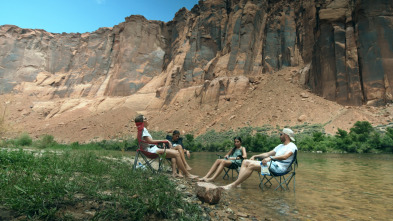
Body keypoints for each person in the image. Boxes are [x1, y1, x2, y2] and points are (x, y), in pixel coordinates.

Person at [222, 128, 297, 190]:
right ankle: (238, 184)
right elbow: (267, 154)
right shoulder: (280, 146)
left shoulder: (292, 146)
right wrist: (255, 156)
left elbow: (285, 156)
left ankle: (233, 185)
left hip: (279, 169)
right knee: (245, 161)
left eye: (281, 134)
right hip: (270, 165)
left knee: (251, 165)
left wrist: (270, 158)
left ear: (286, 136)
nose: (280, 136)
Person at [134, 115, 198, 179]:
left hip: (151, 149)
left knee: (175, 153)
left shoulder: (141, 129)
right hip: (151, 151)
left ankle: (175, 173)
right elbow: (150, 141)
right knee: (177, 153)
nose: (147, 119)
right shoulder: (143, 130)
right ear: (142, 121)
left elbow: (148, 142)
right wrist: (165, 141)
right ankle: (187, 174)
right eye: (145, 118)